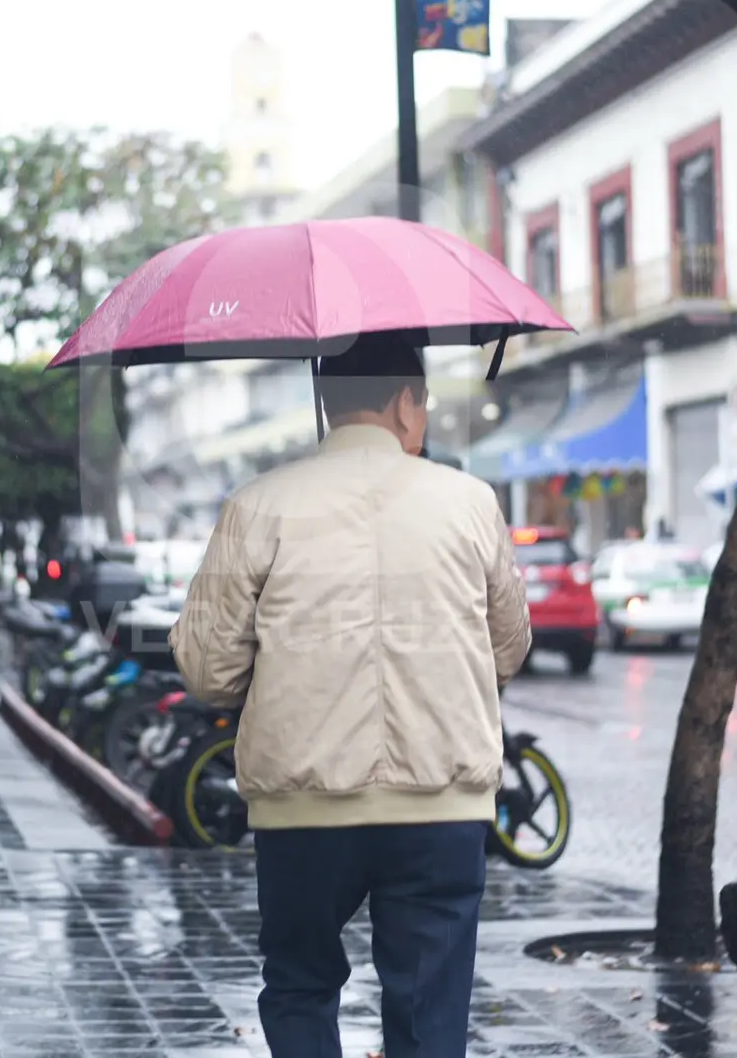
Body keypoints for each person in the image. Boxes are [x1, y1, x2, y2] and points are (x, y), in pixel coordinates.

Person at [171, 333, 531, 1057]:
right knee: (429, 1010)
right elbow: (510, 648)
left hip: (302, 808)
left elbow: (208, 671)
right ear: (406, 402)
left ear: (326, 402)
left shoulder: (258, 506)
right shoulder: (468, 503)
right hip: (441, 804)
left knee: (301, 985)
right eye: (422, 403)